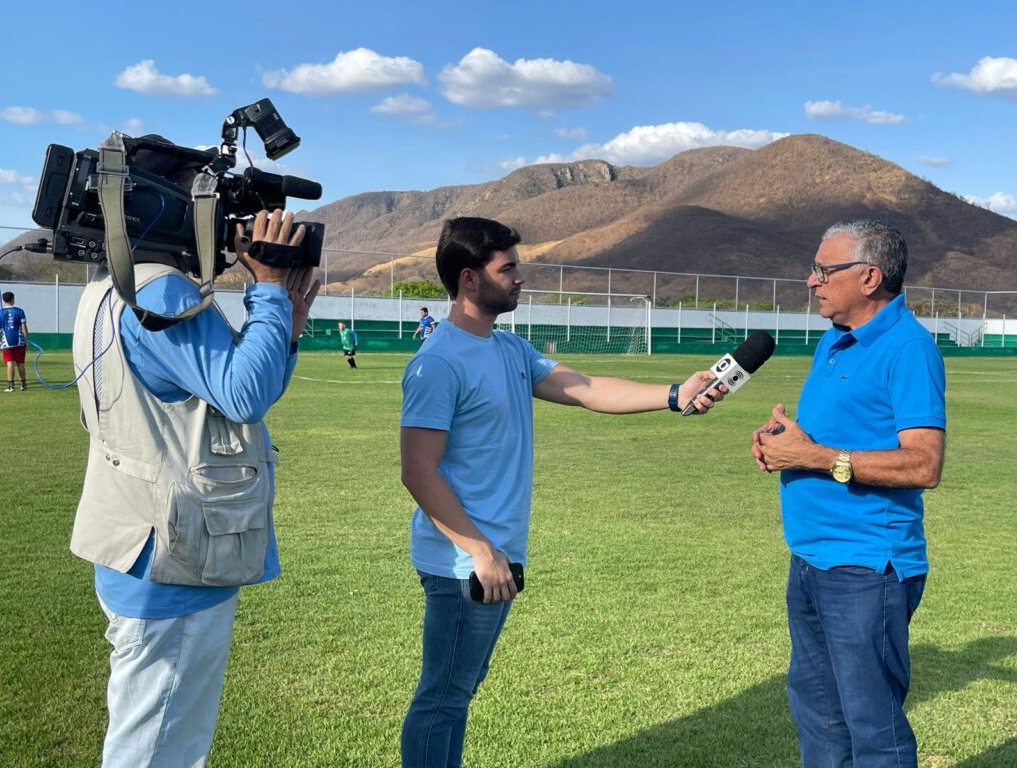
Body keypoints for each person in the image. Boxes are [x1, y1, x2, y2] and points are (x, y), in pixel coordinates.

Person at [399, 216, 727, 768]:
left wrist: (675, 394)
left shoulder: (510, 350)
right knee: (443, 698)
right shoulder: (439, 362)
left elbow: (589, 389)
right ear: (470, 279)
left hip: (495, 556)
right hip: (465, 563)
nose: (521, 277)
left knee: (457, 692)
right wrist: (480, 552)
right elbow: (418, 471)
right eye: (509, 268)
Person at [69, 208, 319, 767]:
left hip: (135, 537)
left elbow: (231, 399)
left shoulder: (112, 286)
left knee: (153, 736)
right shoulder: (163, 292)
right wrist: (270, 291)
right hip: (174, 555)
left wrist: (287, 331)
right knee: (160, 748)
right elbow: (245, 395)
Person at [751, 220, 946, 768]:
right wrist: (783, 444)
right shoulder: (833, 342)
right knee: (818, 713)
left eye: (823, 269)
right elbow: (831, 442)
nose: (811, 280)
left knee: (872, 726)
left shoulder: (908, 349)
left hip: (868, 568)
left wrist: (812, 457)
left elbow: (924, 463)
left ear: (868, 277)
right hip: (812, 558)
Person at [0, 291, 29, 392]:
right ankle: (23, 385)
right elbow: (24, 327)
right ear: (13, 299)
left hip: (6, 342)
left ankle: (11, 386)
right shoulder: (20, 311)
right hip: (19, 341)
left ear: (3, 300)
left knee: (10, 363)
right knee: (20, 363)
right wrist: (26, 340)